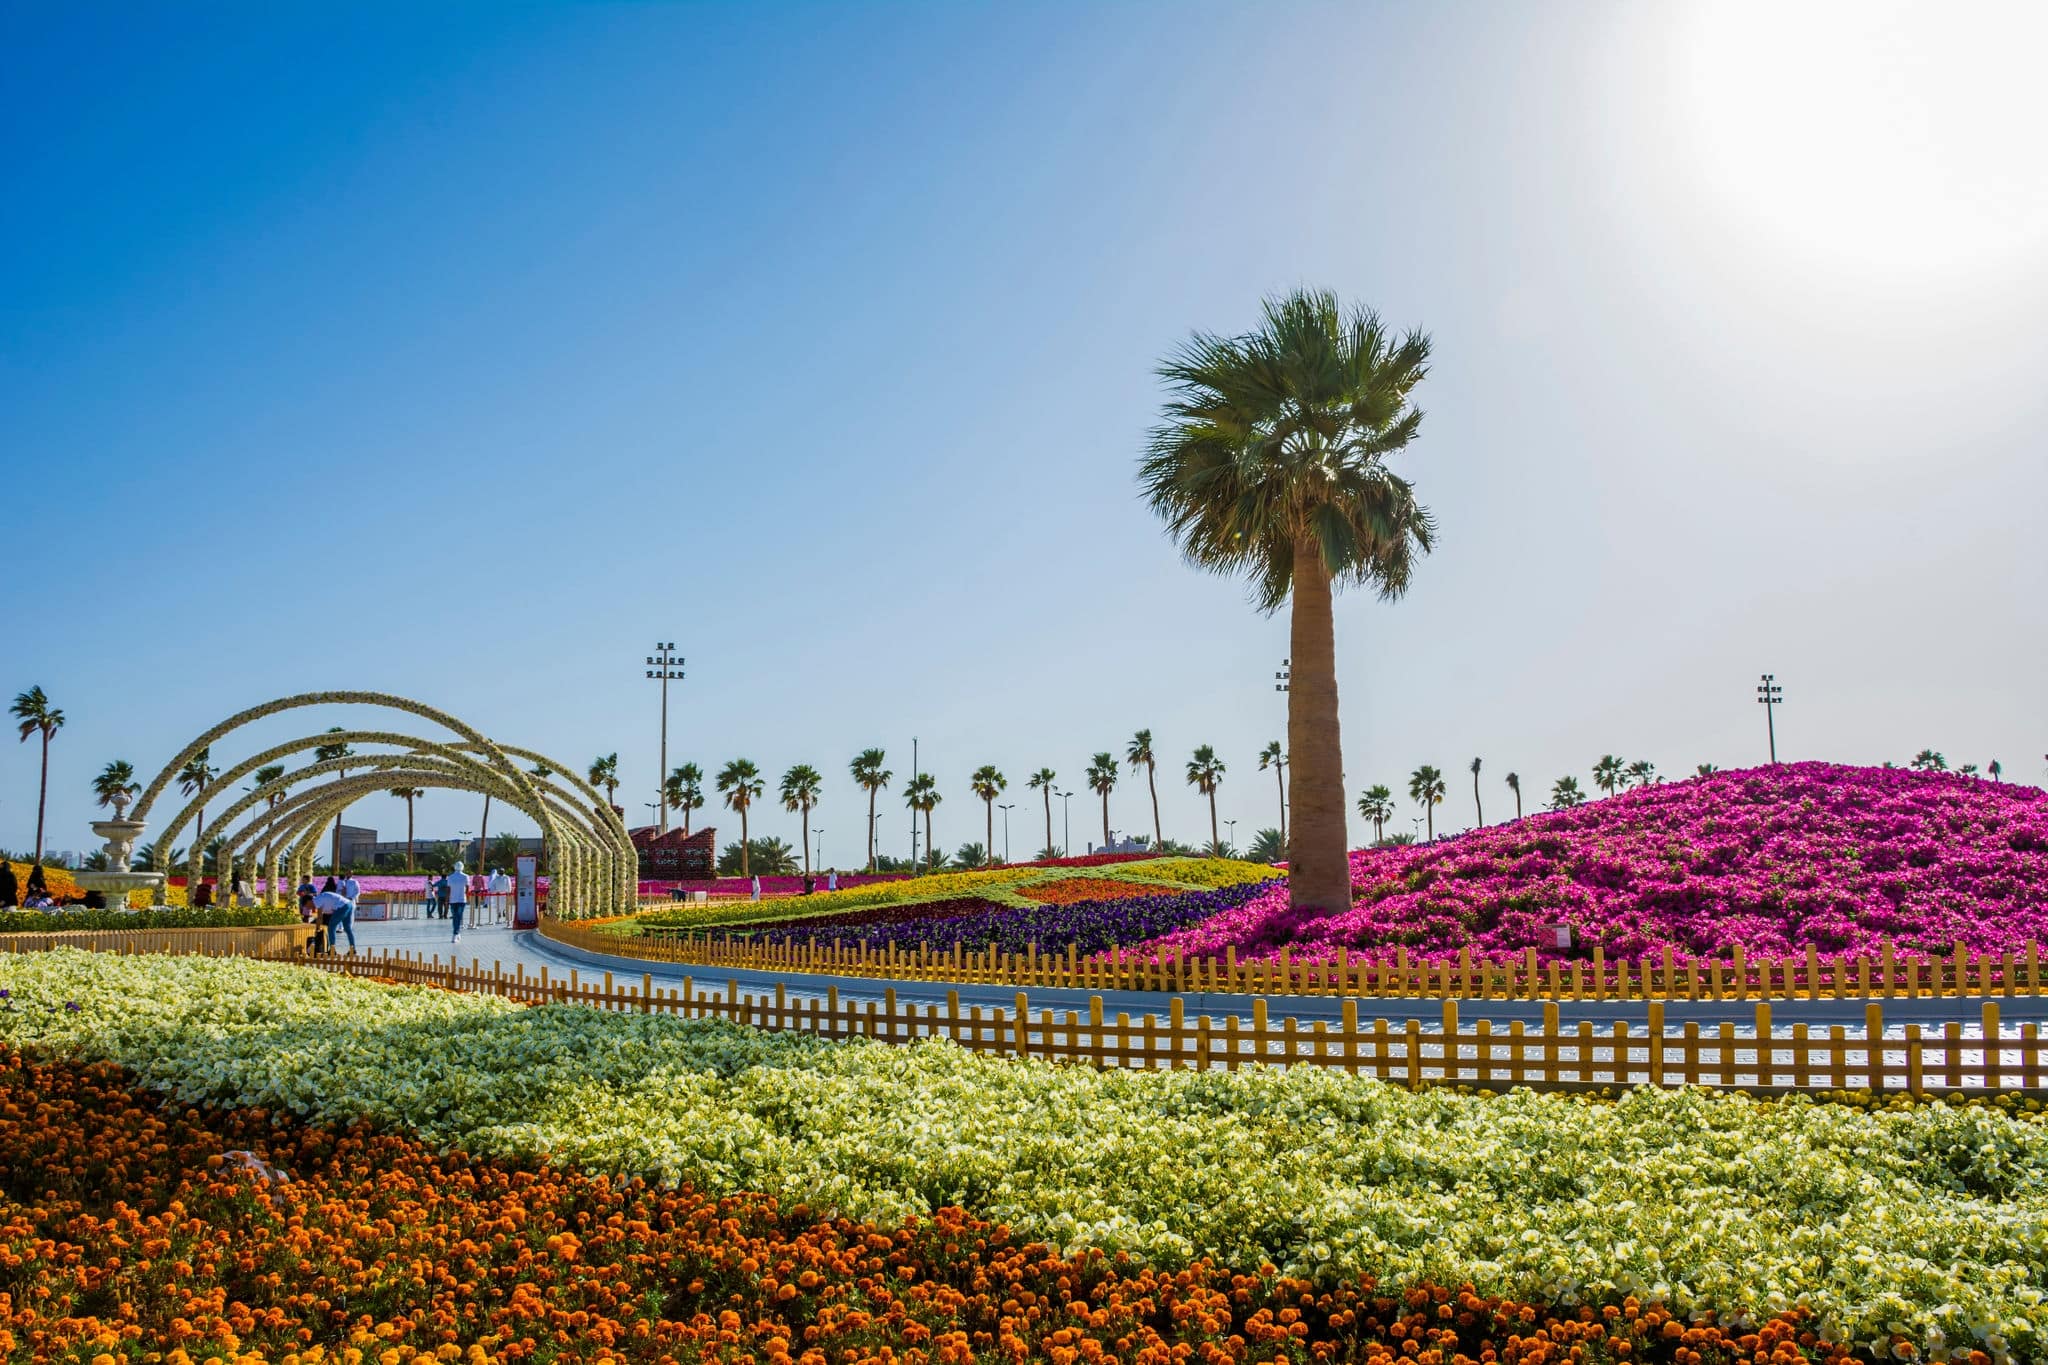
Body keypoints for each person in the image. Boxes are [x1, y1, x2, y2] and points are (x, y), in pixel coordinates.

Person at [309, 885, 352, 955]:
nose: (308, 908)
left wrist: (317, 929)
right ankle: (331, 949)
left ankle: (332, 949)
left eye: (306, 905)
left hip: (339, 908)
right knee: (329, 929)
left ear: (309, 901)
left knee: (330, 929)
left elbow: (319, 917)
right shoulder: (320, 898)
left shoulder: (317, 901)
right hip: (336, 909)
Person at [332, 872, 361, 953]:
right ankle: (341, 927)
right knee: (341, 914)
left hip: (350, 900)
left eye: (349, 873)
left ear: (351, 875)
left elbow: (358, 891)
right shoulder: (342, 881)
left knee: (350, 915)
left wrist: (352, 897)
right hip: (342, 900)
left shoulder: (354, 882)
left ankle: (349, 927)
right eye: (347, 873)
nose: (347, 875)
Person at [446, 860, 469, 944]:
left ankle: (455, 933)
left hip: (453, 900)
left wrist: (447, 900)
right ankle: (456, 933)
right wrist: (466, 896)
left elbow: (448, 890)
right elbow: (467, 888)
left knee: (455, 916)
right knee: (458, 916)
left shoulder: (450, 877)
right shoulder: (466, 876)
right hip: (461, 899)